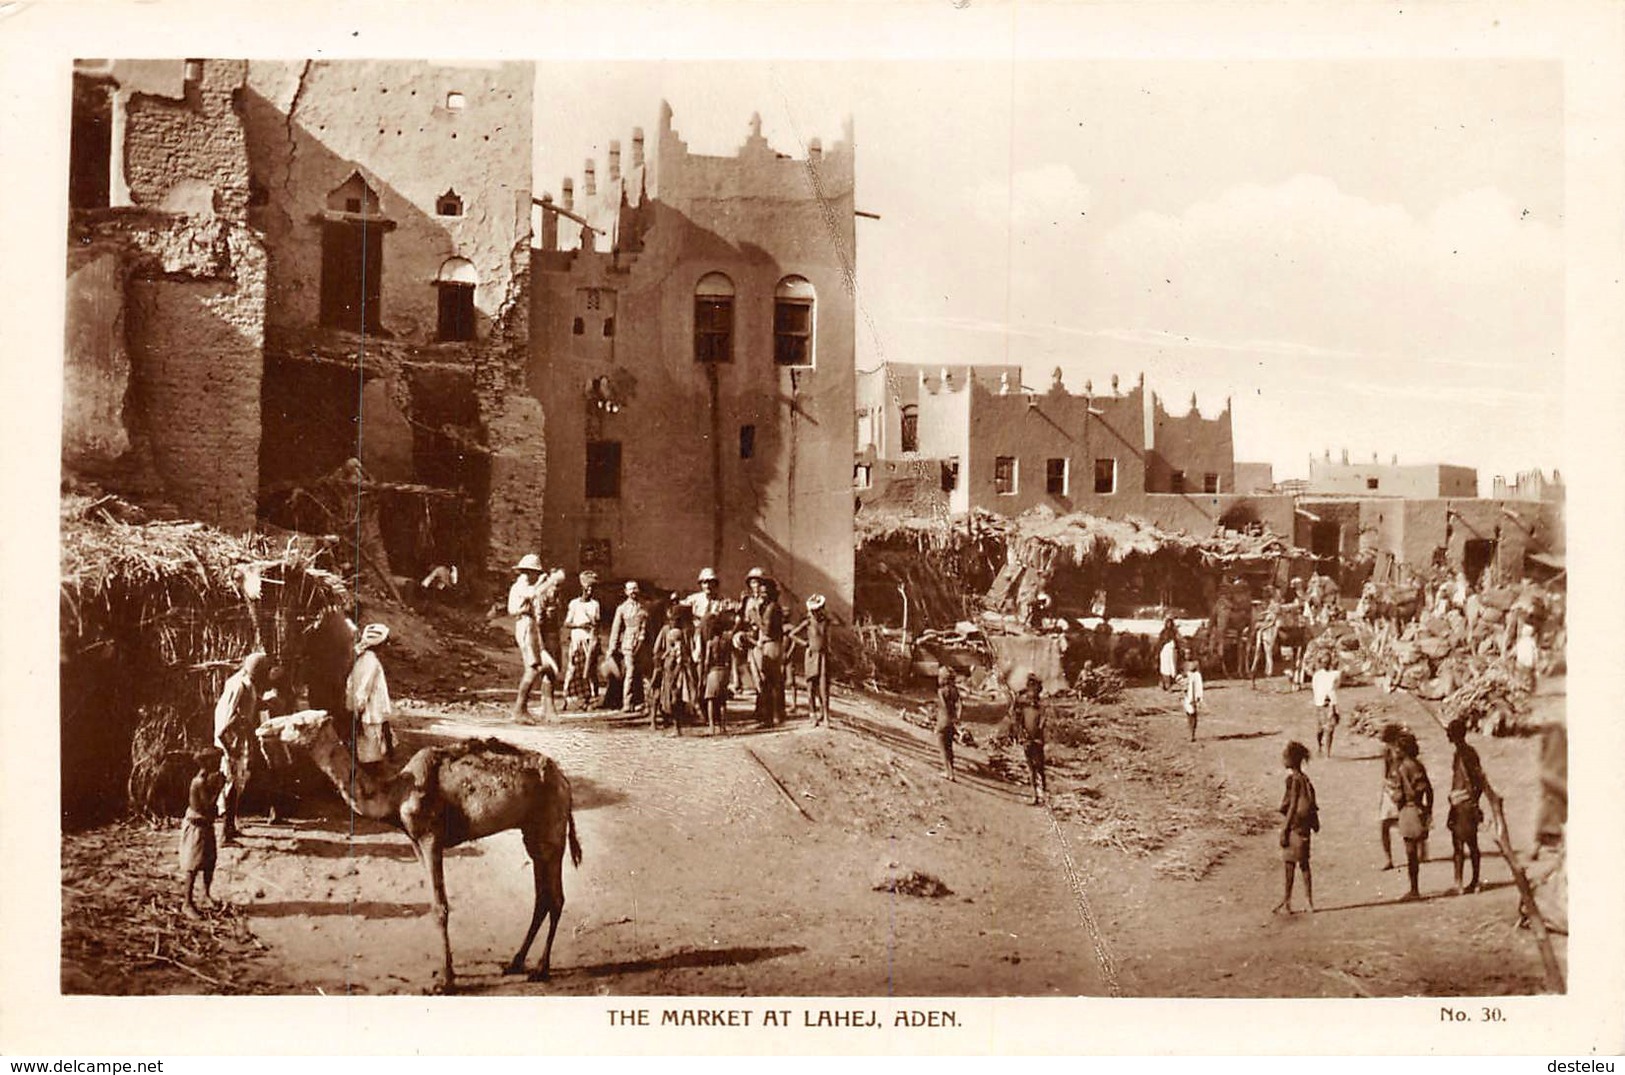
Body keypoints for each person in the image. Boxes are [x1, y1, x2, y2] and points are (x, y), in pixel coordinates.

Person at [213, 651, 270, 844]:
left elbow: (247, 707)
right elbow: (225, 719)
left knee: (237, 783)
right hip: (232, 741)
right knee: (231, 783)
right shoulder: (238, 685)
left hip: (239, 739)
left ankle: (231, 826)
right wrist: (229, 748)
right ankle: (225, 833)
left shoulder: (247, 682)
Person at [508, 555, 561, 722]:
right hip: (525, 623)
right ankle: (519, 709)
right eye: (535, 573)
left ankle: (521, 709)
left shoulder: (524, 584)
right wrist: (547, 581)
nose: (537, 577)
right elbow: (533, 594)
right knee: (533, 668)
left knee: (534, 666)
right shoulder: (521, 585)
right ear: (529, 572)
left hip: (528, 623)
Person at [1273, 741, 1318, 914]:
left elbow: (1291, 805)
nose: (1283, 759)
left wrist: (1284, 829)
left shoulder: (1292, 780)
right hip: (1304, 827)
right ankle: (1309, 901)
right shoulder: (1305, 779)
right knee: (1305, 864)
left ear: (1292, 760)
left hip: (1293, 826)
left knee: (1289, 865)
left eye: (1285, 756)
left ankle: (1287, 901)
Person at [1445, 717, 1487, 894]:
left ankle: (1463, 883)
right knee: (1470, 844)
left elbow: (1476, 781)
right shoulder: (1465, 752)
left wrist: (1470, 800)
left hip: (1463, 803)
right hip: (1463, 802)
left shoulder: (1463, 754)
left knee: (1462, 845)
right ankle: (1471, 881)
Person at [744, 568, 787, 726]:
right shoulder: (769, 606)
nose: (761, 595)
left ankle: (771, 717)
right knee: (770, 681)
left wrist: (755, 617)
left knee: (769, 681)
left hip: (770, 644)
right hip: (767, 644)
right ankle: (773, 715)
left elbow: (767, 629)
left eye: (764, 592)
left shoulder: (770, 608)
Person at [1395, 730, 1434, 901]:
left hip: (1407, 810)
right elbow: (1429, 790)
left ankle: (1414, 889)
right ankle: (1415, 889)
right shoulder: (1419, 765)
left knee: (1410, 853)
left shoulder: (1403, 768)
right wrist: (1428, 810)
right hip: (1419, 809)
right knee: (1415, 852)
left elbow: (1399, 795)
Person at [347, 623, 395, 765]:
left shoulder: (366, 659)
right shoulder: (370, 662)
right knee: (370, 755)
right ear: (379, 644)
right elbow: (363, 689)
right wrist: (358, 711)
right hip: (369, 714)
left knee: (376, 748)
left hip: (373, 713)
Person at [607, 580, 652, 712]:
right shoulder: (622, 608)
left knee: (645, 674)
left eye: (635, 589)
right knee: (630, 673)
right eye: (630, 589)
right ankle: (627, 702)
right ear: (626, 592)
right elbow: (616, 629)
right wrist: (612, 648)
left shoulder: (645, 607)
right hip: (628, 644)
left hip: (643, 645)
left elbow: (648, 627)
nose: (633, 592)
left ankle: (647, 703)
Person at [649, 604, 694, 734]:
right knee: (657, 692)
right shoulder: (665, 630)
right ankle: (653, 720)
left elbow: (688, 649)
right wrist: (663, 658)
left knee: (677, 696)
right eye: (673, 619)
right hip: (665, 666)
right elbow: (656, 649)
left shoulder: (684, 632)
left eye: (677, 619)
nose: (675, 622)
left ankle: (676, 725)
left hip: (678, 667)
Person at [561, 572, 603, 708]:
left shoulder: (595, 604)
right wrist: (579, 625)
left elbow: (597, 622)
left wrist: (592, 622)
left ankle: (592, 698)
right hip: (577, 640)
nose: (590, 592)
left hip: (590, 640)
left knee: (590, 670)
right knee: (572, 668)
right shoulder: (574, 604)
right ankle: (566, 698)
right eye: (587, 589)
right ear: (583, 589)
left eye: (592, 589)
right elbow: (567, 623)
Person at [792, 594, 832, 726]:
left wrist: (829, 651)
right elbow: (792, 634)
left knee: (823, 687)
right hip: (811, 656)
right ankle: (812, 714)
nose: (816, 612)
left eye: (819, 609)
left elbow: (827, 638)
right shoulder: (808, 622)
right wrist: (804, 643)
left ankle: (825, 716)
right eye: (814, 610)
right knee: (810, 686)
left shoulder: (826, 621)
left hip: (823, 656)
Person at [1012, 674, 1047, 806]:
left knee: (1039, 767)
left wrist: (1037, 734)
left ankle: (1043, 793)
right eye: (1031, 689)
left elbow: (1042, 722)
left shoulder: (1040, 706)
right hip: (1028, 739)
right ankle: (1035, 795)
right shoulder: (1024, 706)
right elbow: (1018, 721)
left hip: (1037, 739)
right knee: (1031, 768)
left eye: (1035, 690)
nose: (1032, 694)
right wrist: (1022, 736)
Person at [1377, 724, 1405, 871]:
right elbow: (1386, 772)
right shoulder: (1387, 752)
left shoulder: (1402, 751)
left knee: (1405, 823)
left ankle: (1418, 850)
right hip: (1390, 789)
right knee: (1384, 824)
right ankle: (1388, 858)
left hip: (1400, 789)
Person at [699, 614, 732, 735]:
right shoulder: (726, 642)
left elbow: (707, 660)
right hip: (723, 670)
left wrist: (704, 674)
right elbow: (729, 659)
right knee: (722, 701)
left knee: (711, 700)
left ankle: (712, 726)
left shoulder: (710, 643)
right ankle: (723, 726)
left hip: (713, 671)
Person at [1311, 651, 1342, 757]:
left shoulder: (1335, 674)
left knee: (1330, 729)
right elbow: (1315, 689)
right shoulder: (1317, 676)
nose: (1326, 664)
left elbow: (1336, 686)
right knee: (1320, 729)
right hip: (1320, 704)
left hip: (1330, 704)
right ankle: (1320, 745)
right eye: (1324, 662)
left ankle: (1327, 752)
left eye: (1327, 662)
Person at [935, 666, 961, 781]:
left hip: (943, 721)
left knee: (942, 748)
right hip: (951, 722)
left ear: (944, 679)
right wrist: (956, 718)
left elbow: (943, 706)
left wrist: (941, 722)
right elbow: (960, 705)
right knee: (950, 748)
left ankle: (947, 772)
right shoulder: (955, 691)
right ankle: (952, 772)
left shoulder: (941, 691)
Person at [1181, 655, 1204, 743]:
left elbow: (1199, 686)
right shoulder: (1184, 666)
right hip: (1187, 694)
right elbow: (1182, 680)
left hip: (1193, 695)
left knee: (1193, 713)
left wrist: (1199, 696)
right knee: (1188, 712)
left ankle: (1192, 733)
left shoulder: (1197, 675)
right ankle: (1190, 732)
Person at [1157, 616, 1181, 691]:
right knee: (1165, 668)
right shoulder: (1163, 632)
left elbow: (1178, 641)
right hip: (1165, 652)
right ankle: (1166, 684)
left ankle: (1168, 684)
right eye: (1168, 623)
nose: (1169, 624)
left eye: (1170, 623)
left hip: (1172, 652)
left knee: (1172, 668)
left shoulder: (1174, 632)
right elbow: (1160, 643)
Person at [1514, 622, 1539, 693]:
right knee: (1528, 676)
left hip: (1521, 662)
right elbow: (1535, 653)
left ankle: (1523, 687)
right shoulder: (1531, 642)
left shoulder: (1520, 642)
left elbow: (1515, 651)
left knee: (1522, 676)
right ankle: (1528, 688)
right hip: (1528, 662)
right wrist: (1535, 662)